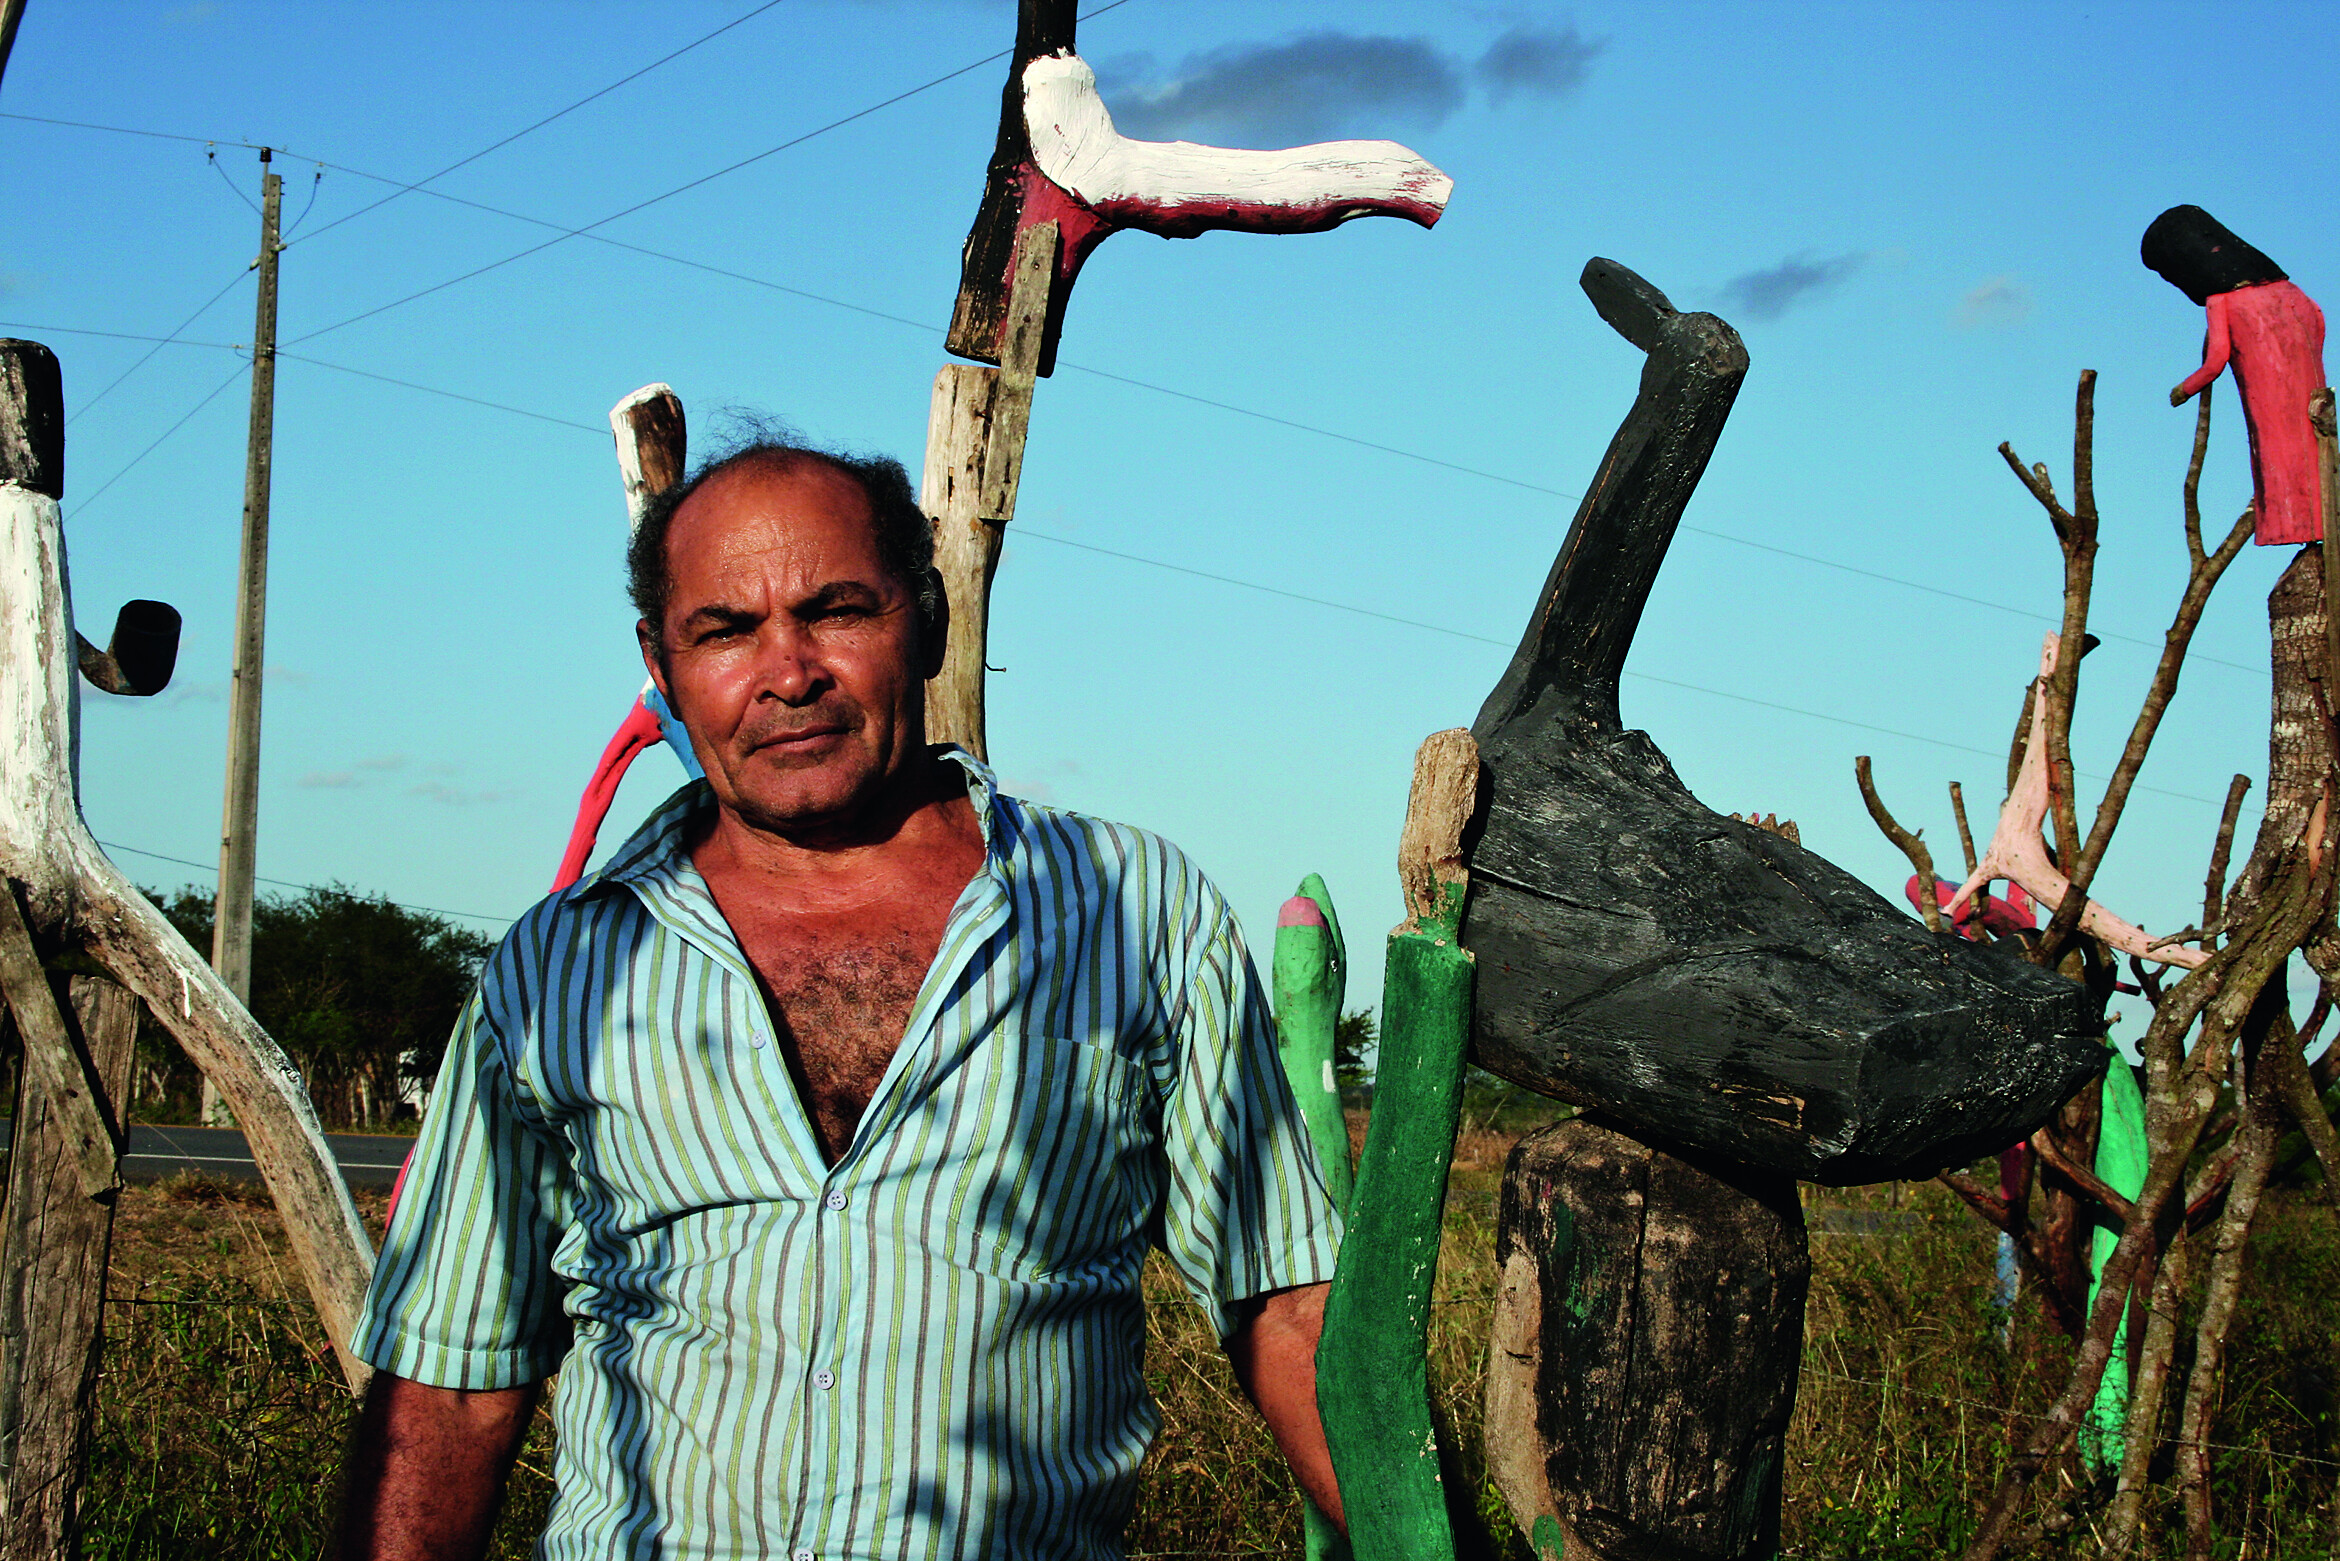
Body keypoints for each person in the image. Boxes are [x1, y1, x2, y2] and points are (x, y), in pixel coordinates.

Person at [335, 433, 1345, 1561]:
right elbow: (450, 1393)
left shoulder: (1132, 910)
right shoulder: (560, 971)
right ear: (661, 667)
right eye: (724, 630)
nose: (788, 671)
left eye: (837, 610)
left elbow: (1289, 1309)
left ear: (928, 623)